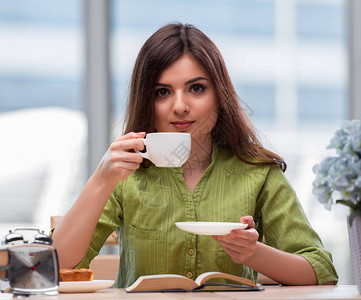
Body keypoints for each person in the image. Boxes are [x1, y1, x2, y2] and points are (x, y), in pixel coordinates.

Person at [52, 22, 338, 288]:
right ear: (147, 101)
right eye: (162, 92)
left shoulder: (258, 171)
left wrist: (253, 253)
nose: (180, 106)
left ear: (219, 95)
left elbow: (321, 272)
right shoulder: (124, 175)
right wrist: (101, 180)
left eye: (196, 88)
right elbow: (52, 268)